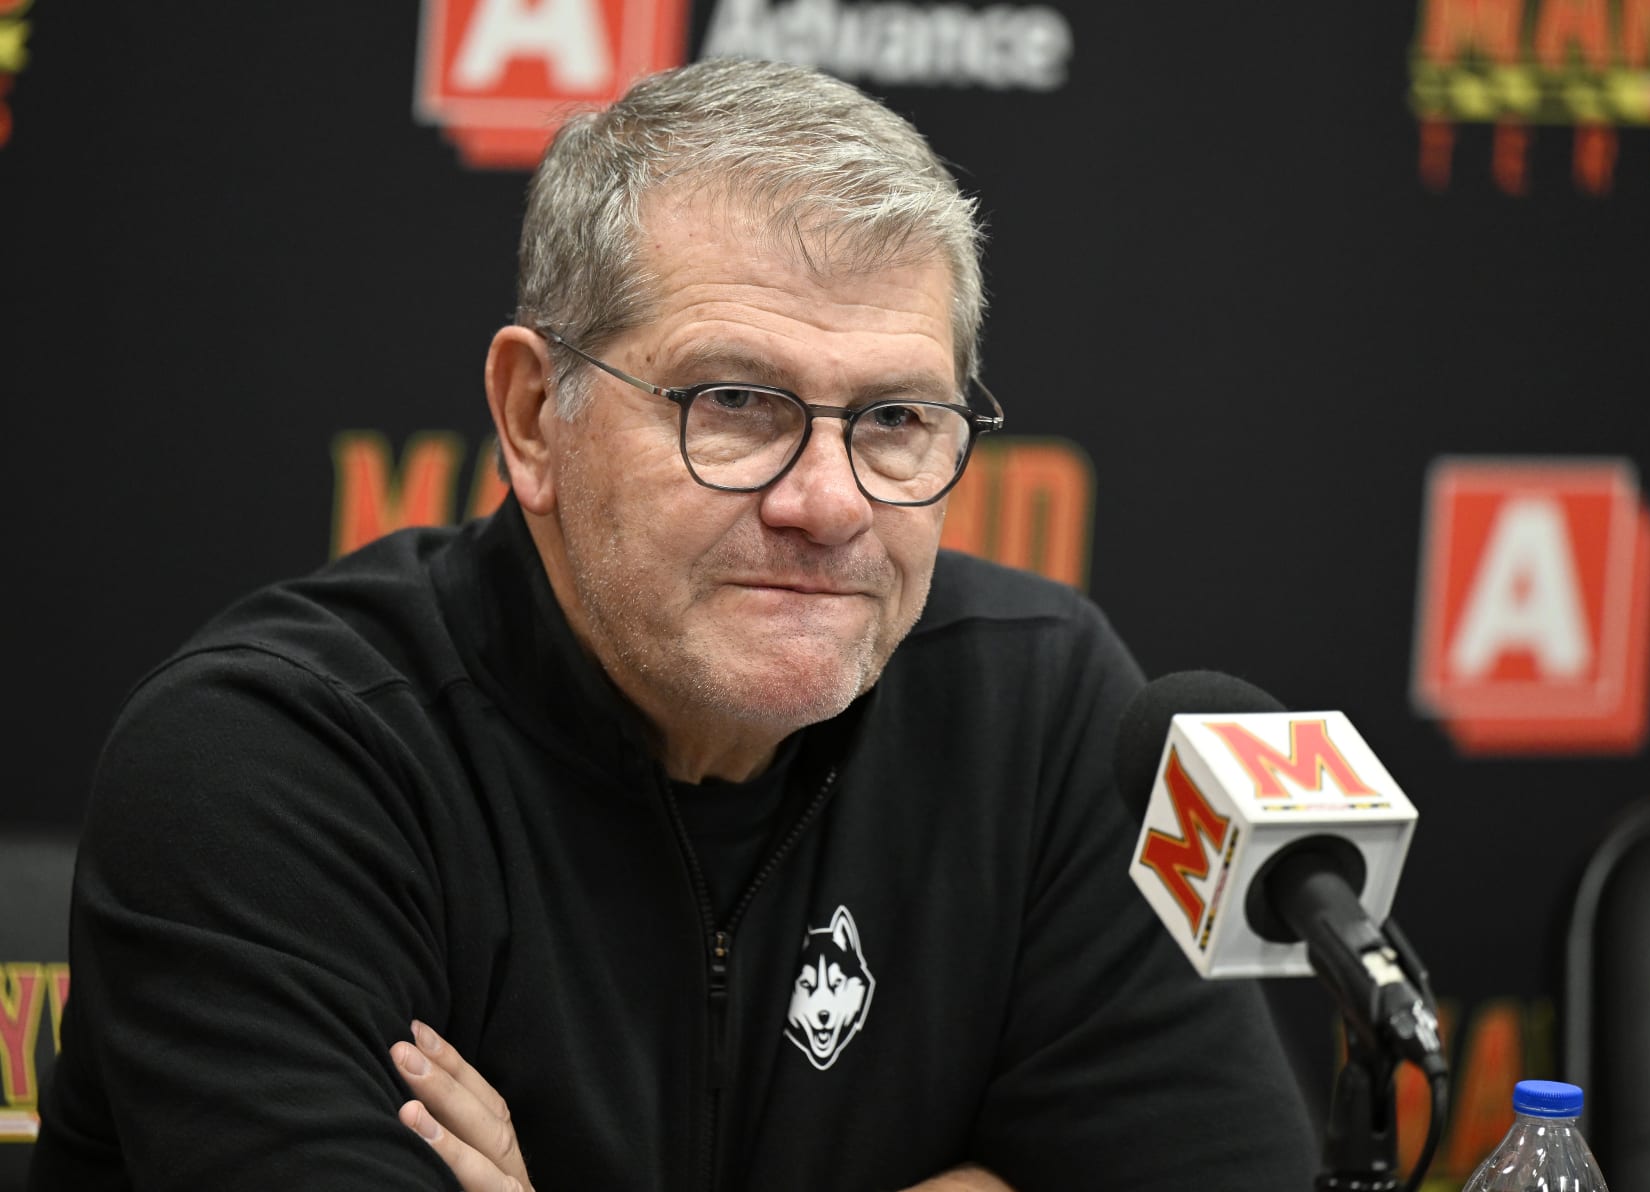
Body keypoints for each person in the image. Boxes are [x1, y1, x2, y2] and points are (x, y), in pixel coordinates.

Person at [31, 57, 1315, 1191]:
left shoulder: (1044, 715)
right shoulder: (273, 764)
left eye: (896, 419)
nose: (828, 502)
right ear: (537, 416)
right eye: (739, 402)